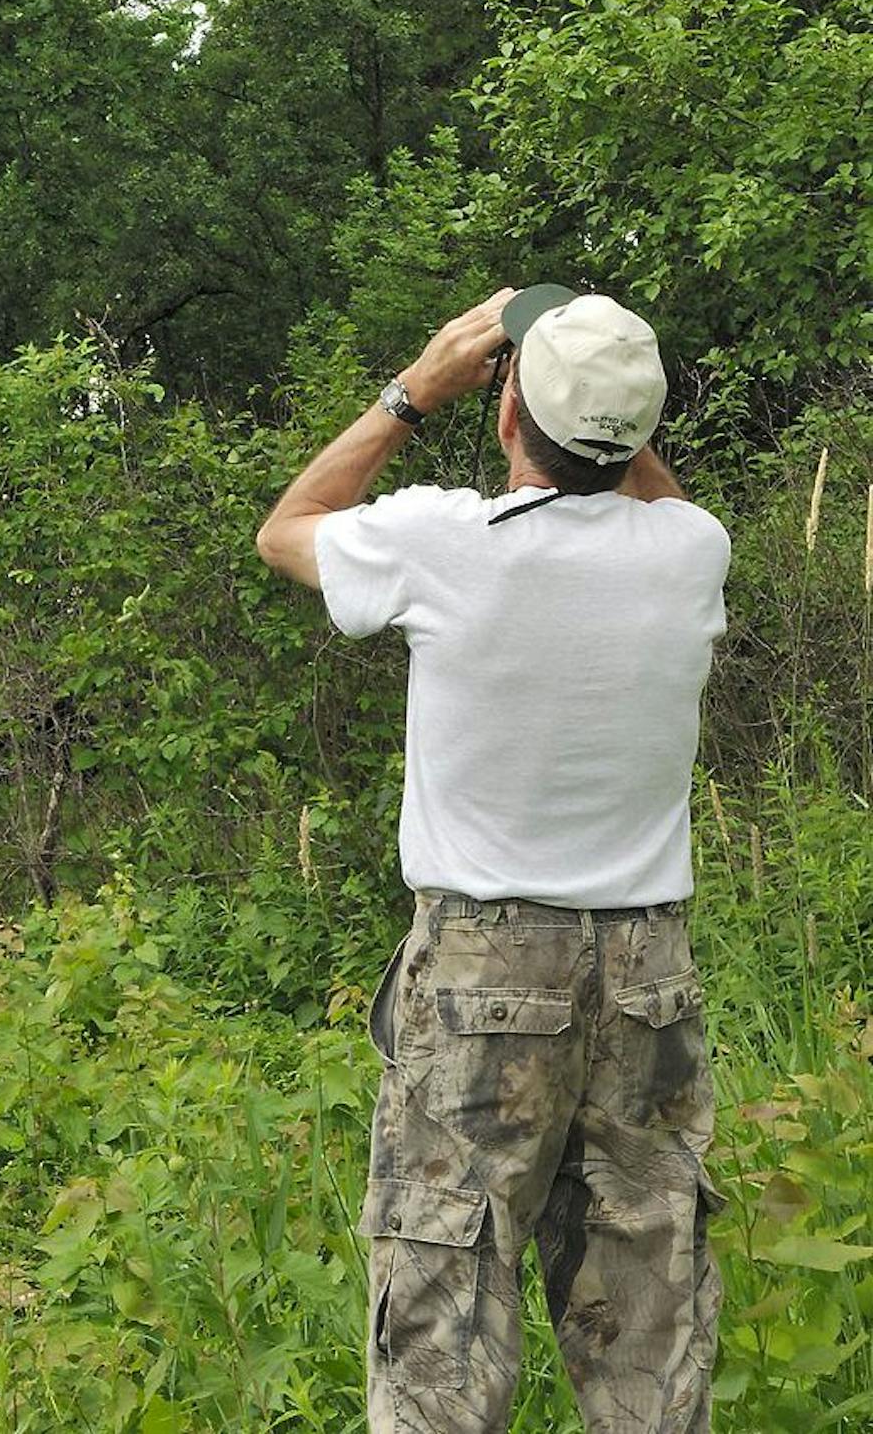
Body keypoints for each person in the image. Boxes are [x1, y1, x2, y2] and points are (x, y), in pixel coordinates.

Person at [254, 284, 731, 1434]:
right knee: (651, 1321)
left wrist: (413, 390)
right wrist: (603, 407)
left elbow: (287, 526)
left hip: (484, 969)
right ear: (640, 430)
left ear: (508, 407)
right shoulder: (692, 551)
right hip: (648, 975)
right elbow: (647, 493)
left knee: (443, 1321)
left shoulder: (442, 542)